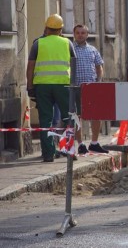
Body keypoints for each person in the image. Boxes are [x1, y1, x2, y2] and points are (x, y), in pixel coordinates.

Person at [26, 14, 76, 162]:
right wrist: (73, 86)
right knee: (68, 118)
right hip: (63, 85)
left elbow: (30, 67)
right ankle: (70, 151)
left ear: (46, 28)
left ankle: (48, 154)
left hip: (42, 86)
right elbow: (74, 65)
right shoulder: (68, 43)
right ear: (60, 29)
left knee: (45, 120)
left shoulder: (38, 43)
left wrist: (30, 86)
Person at [73, 24, 109, 155]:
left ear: (87, 35)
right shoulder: (70, 49)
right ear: (74, 34)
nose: (80, 35)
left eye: (83, 33)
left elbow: (99, 67)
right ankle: (80, 144)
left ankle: (94, 143)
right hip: (76, 87)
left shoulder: (92, 50)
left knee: (96, 115)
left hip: (92, 88)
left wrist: (98, 82)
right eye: (78, 33)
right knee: (77, 116)